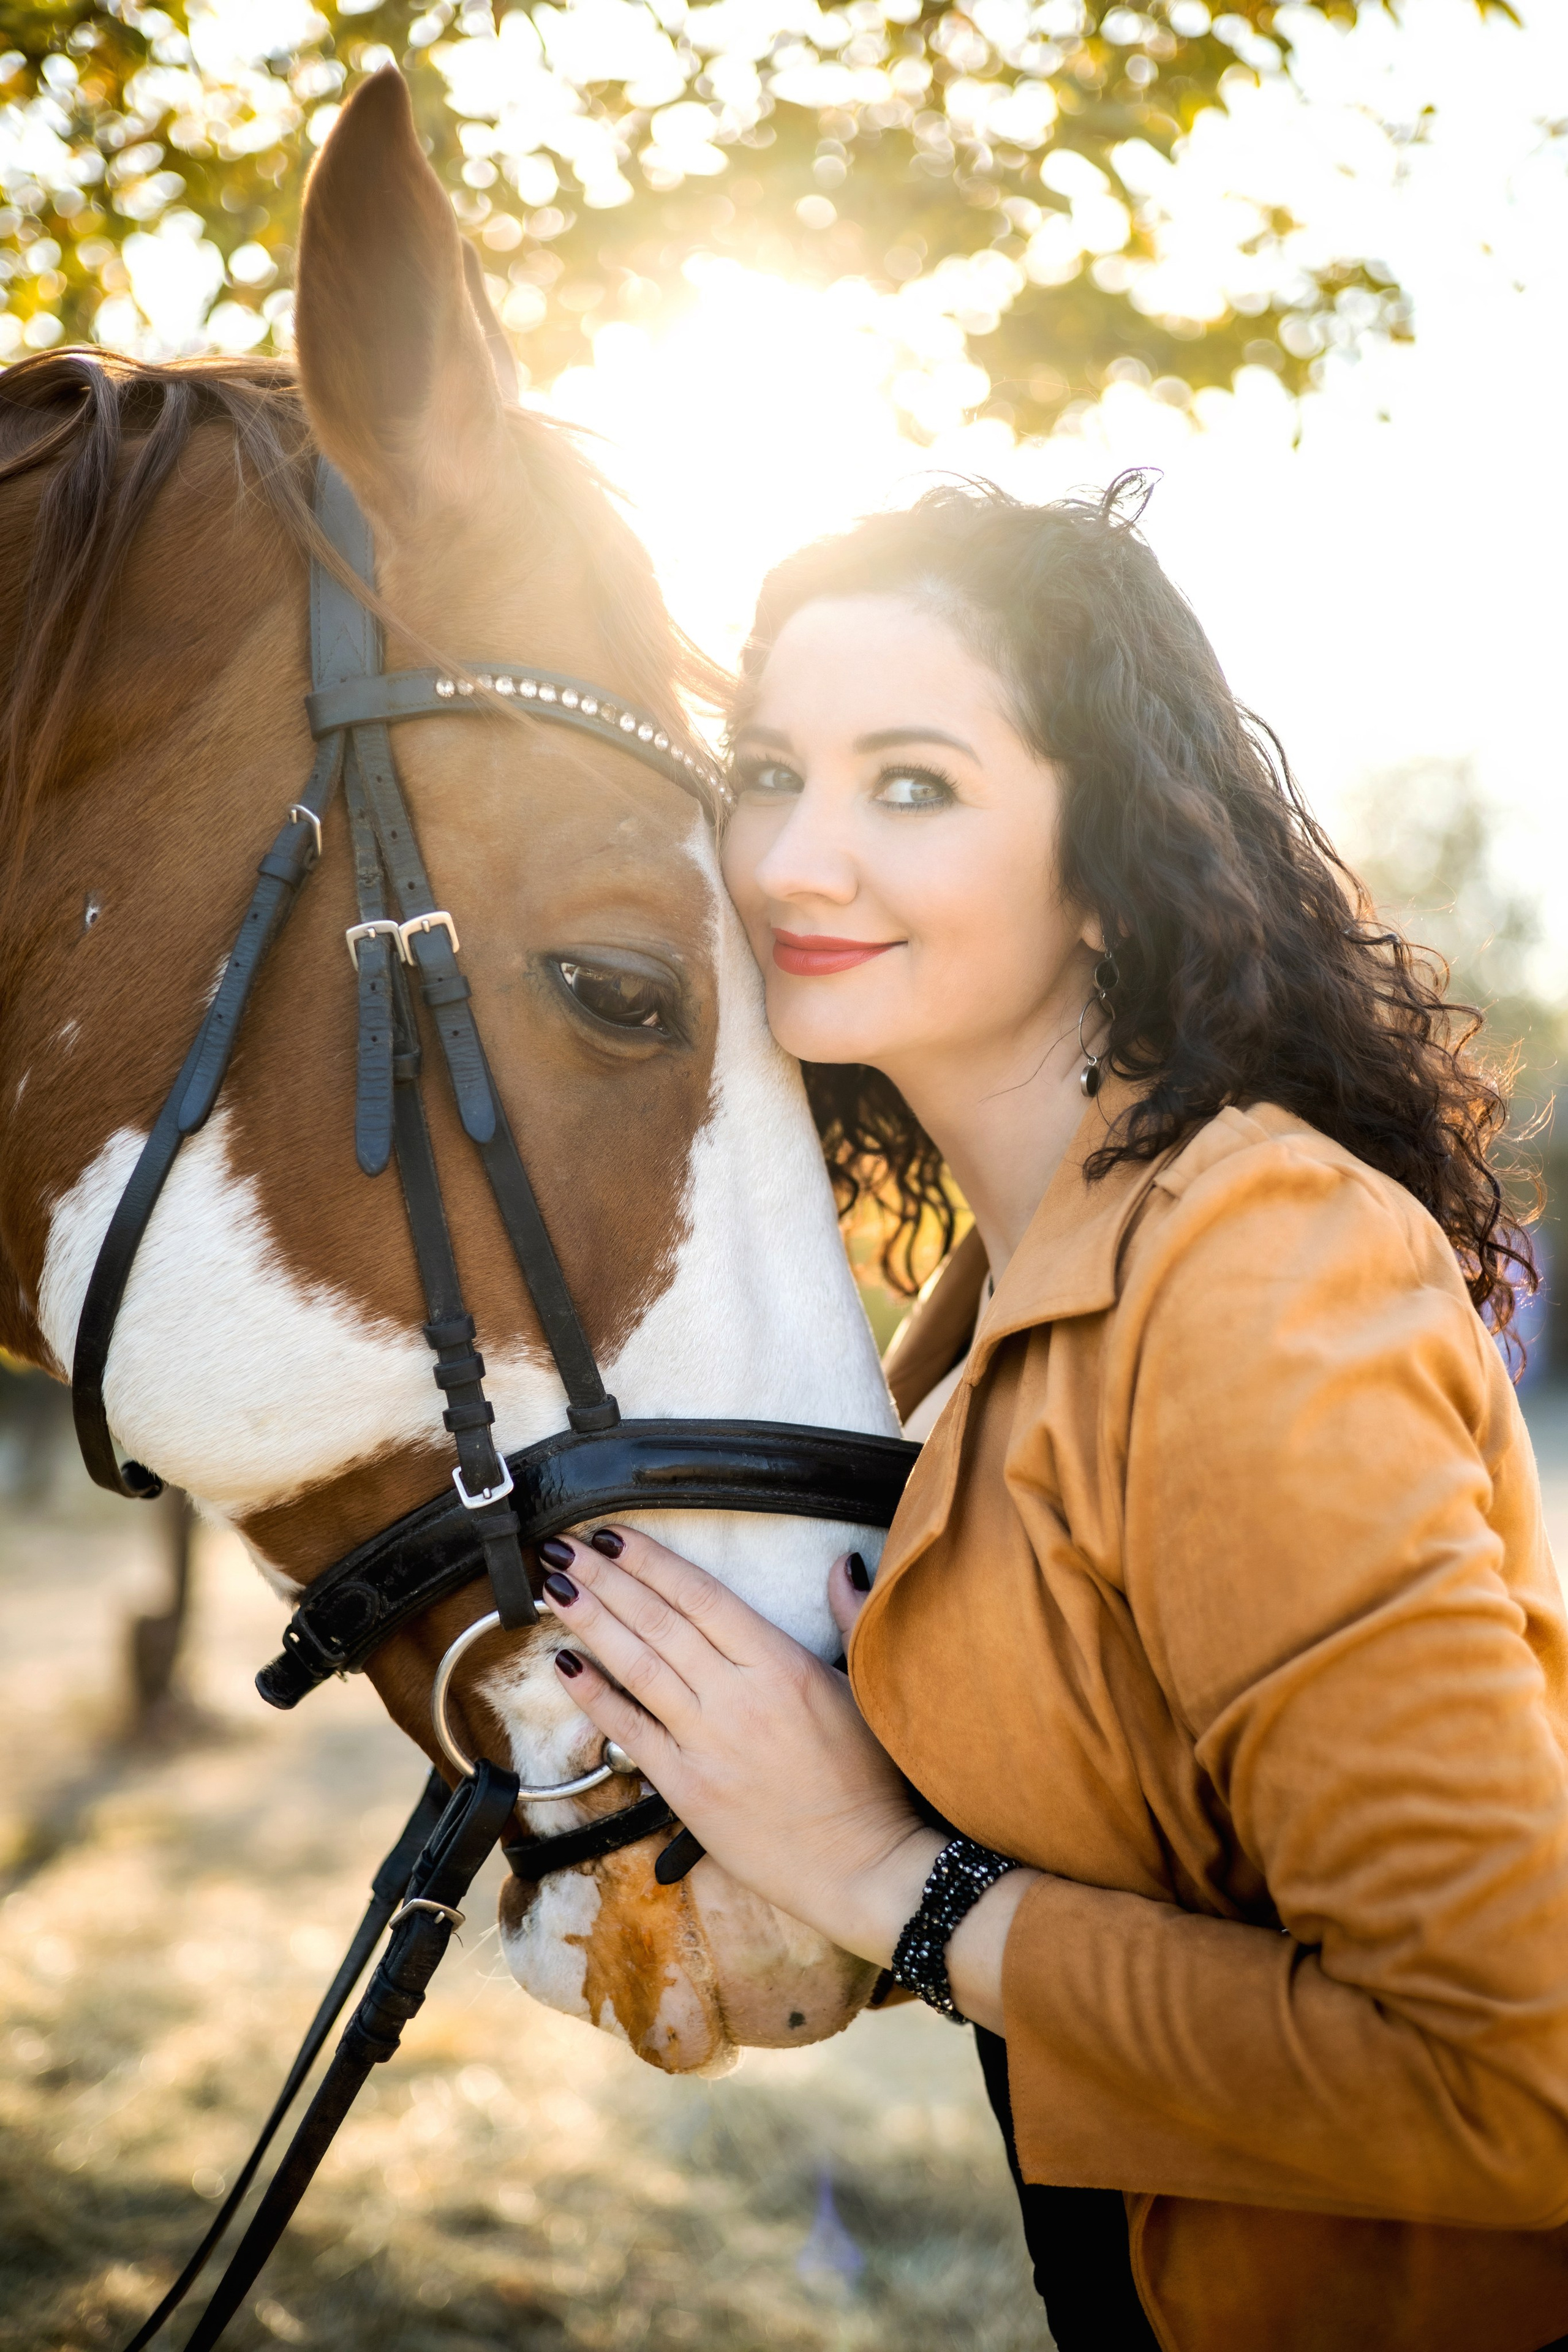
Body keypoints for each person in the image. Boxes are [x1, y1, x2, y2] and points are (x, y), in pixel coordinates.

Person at [531, 476, 1568, 2352]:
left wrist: (878, 1875)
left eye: (911, 786)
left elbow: (1509, 2085)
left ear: (1113, 864)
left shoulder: (1253, 1269)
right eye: (769, 772)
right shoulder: (991, 1291)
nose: (788, 863)